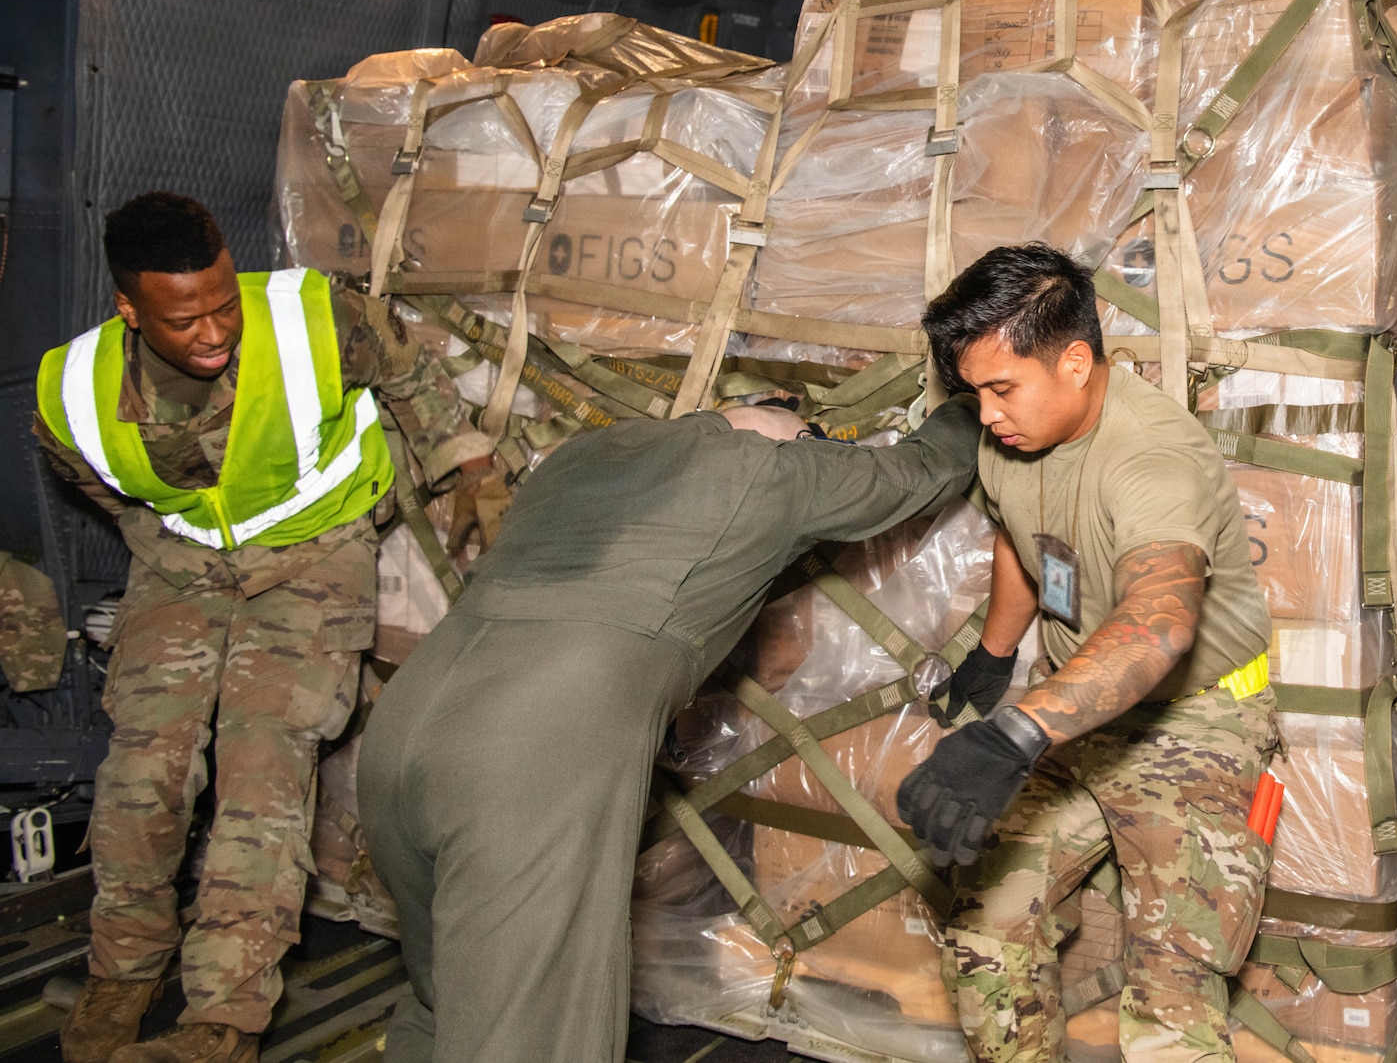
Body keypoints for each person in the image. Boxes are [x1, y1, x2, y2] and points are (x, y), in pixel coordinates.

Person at [355, 393, 982, 1063]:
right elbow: (925, 470)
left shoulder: (581, 456)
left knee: (444, 998)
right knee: (529, 1034)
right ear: (785, 428)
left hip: (405, 724)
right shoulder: (771, 470)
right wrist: (975, 402)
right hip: (528, 755)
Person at [34, 192, 496, 1063]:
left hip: (310, 557)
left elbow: (409, 372)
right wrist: (160, 536)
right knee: (144, 769)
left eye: (222, 303)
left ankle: (224, 1017)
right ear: (130, 309)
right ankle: (124, 969)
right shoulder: (71, 388)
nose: (216, 331)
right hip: (181, 564)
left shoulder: (308, 318)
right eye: (186, 318)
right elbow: (88, 473)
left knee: (262, 770)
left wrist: (461, 462)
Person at [900, 243, 1276, 1063]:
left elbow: (1160, 622)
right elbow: (1023, 538)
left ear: (1076, 361)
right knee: (983, 923)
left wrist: (1016, 733)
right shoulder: (1013, 440)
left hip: (1194, 718)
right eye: (974, 392)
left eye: (1003, 388)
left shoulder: (1150, 458)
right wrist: (995, 656)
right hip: (1075, 702)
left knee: (1175, 984)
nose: (988, 413)